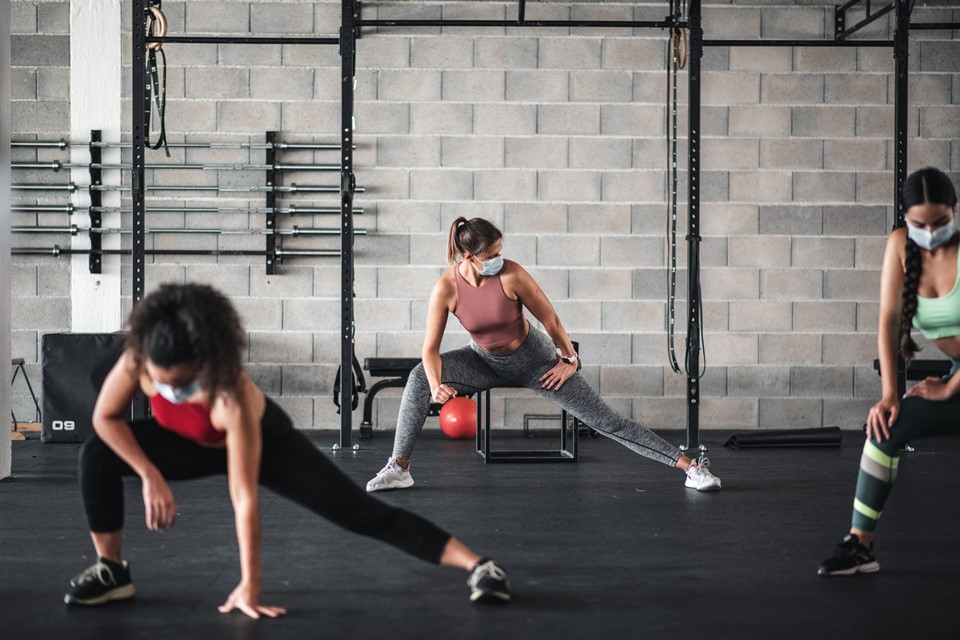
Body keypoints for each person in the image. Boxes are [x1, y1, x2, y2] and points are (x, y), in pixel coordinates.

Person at [65, 283, 511, 615]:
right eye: (160, 382)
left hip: (267, 443)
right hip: (187, 443)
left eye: (179, 383)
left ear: (205, 364)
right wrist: (149, 474)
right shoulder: (137, 359)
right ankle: (112, 570)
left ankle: (480, 565)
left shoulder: (228, 396)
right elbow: (106, 419)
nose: (167, 389)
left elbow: (243, 500)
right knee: (96, 456)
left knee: (359, 512)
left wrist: (250, 586)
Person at [367, 217, 722, 493]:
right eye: (491, 256)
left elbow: (549, 318)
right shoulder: (446, 287)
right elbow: (429, 349)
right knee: (417, 376)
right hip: (482, 362)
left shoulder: (512, 274)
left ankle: (691, 467)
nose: (498, 260)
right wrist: (435, 385)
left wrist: (570, 360)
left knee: (605, 420)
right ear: (469, 257)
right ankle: (399, 468)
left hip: (537, 363)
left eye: (500, 252)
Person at [819, 167, 959, 576]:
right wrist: (889, 396)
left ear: (954, 212)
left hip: (957, 382)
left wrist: (950, 389)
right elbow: (887, 321)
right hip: (958, 373)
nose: (930, 231)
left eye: (940, 222)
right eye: (919, 224)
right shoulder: (900, 245)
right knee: (885, 426)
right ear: (905, 218)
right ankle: (859, 547)